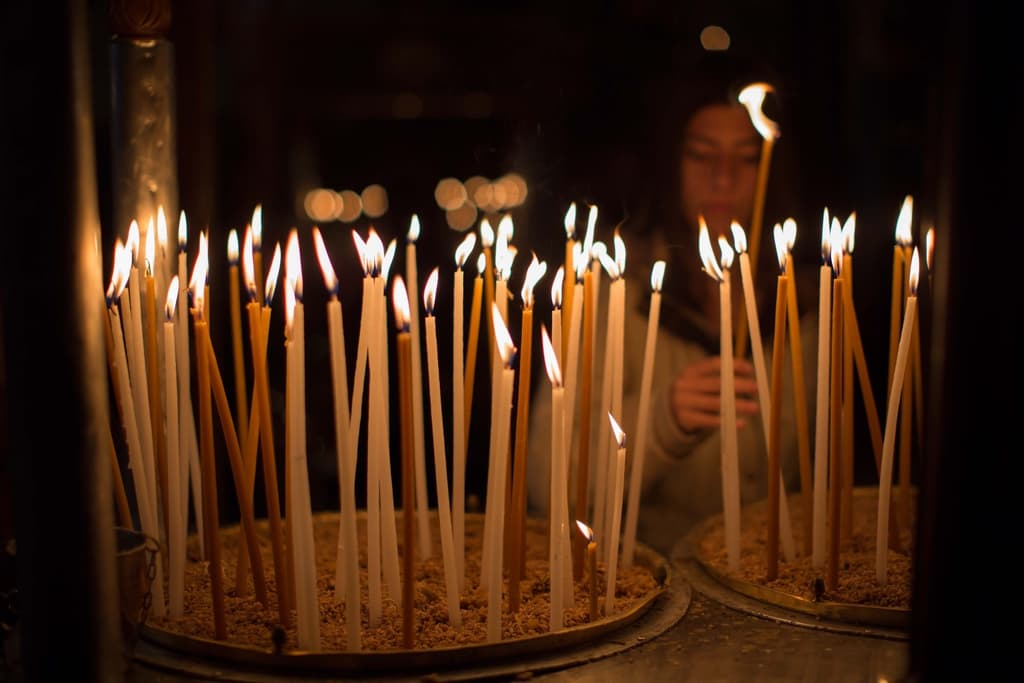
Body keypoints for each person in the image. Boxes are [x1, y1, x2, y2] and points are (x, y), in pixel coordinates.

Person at [527, 48, 819, 556]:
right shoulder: (616, 293)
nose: (724, 177)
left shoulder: (809, 305)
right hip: (652, 584)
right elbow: (546, 486)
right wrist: (663, 419)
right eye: (702, 155)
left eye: (747, 158)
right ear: (670, 164)